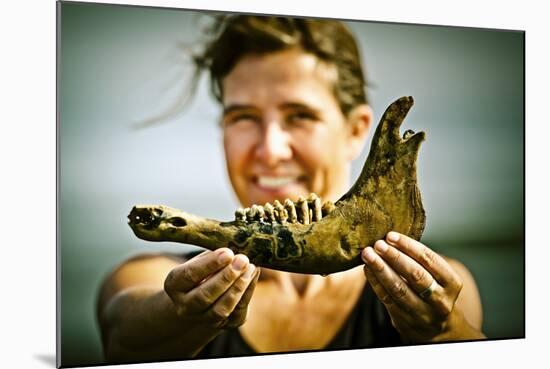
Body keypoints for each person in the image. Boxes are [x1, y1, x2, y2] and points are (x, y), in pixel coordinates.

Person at [96, 15, 485, 363]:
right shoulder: (148, 275)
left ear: (354, 131)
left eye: (300, 116)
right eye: (244, 117)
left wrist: (447, 335)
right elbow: (126, 336)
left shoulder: (436, 292)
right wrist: (175, 316)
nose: (270, 150)